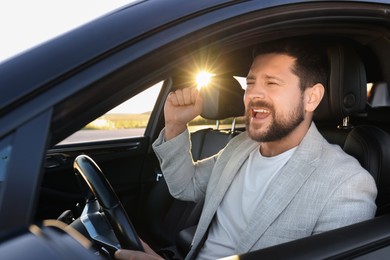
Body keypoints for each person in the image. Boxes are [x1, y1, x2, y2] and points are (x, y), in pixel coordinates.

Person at [115, 39, 377, 260]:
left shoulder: (347, 185)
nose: (253, 94)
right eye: (250, 83)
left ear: (312, 97)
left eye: (271, 83)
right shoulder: (241, 146)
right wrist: (175, 124)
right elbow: (186, 186)